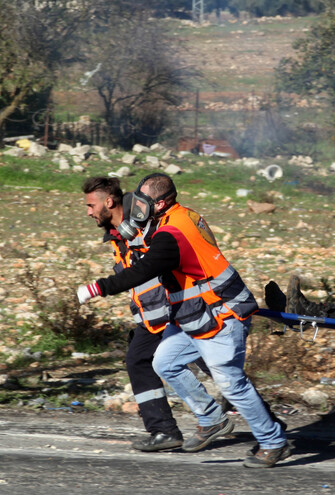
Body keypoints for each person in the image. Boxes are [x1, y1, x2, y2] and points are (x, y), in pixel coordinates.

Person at [77, 173, 290, 468]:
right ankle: (211, 419)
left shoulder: (172, 233)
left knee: (231, 384)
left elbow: (146, 269)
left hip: (222, 314)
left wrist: (98, 287)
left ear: (161, 203)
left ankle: (273, 441)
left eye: (142, 202)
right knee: (165, 362)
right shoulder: (178, 218)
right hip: (198, 316)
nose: (135, 206)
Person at [82, 177, 183, 451]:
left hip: (179, 311)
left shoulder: (144, 226)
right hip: (152, 317)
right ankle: (164, 431)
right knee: (138, 361)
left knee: (217, 367)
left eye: (92, 205)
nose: (89, 212)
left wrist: (98, 288)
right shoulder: (118, 236)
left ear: (109, 202)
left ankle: (263, 425)